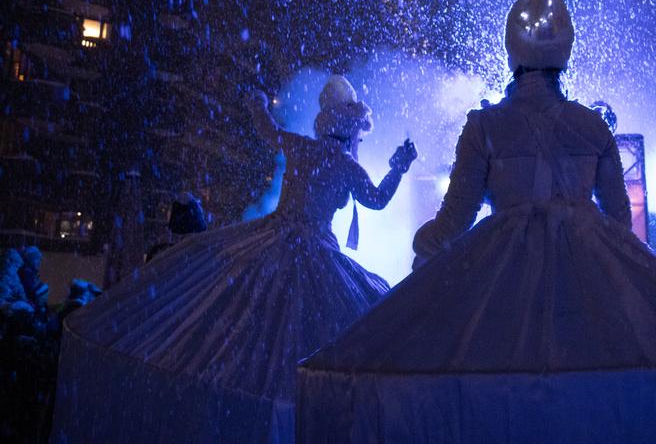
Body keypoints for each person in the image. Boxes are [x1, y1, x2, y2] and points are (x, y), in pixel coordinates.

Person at [297, 0, 656, 443]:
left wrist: (425, 250)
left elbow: (451, 226)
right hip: (593, 276)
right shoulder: (591, 125)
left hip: (498, 279)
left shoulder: (484, 126)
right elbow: (620, 225)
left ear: (512, 55)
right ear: (563, 56)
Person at [51, 75, 417, 443]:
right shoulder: (346, 166)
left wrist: (256, 102)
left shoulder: (299, 147)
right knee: (308, 333)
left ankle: (233, 406)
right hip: (314, 252)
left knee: (248, 320)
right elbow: (376, 199)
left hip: (270, 240)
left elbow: (267, 131)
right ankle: (294, 417)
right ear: (353, 130)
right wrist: (399, 167)